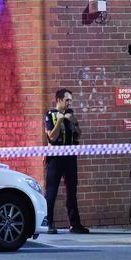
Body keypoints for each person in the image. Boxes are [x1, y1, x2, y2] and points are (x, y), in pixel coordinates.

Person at [44, 88, 89, 234]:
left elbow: (78, 135)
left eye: (70, 100)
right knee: (51, 191)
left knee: (72, 191)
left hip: (70, 157)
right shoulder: (50, 115)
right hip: (55, 158)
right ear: (59, 100)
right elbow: (52, 137)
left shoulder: (71, 114)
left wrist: (74, 123)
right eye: (67, 100)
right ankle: (48, 223)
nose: (69, 103)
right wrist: (61, 120)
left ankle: (75, 224)